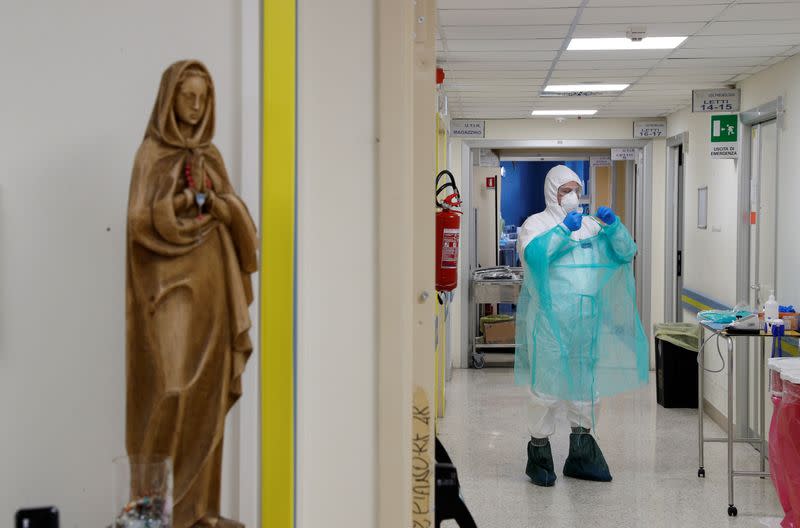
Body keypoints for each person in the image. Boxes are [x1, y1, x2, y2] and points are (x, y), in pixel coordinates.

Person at [126, 60, 258, 528]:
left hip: (213, 291)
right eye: (188, 96)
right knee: (171, 389)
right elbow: (139, 223)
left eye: (204, 96)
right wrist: (180, 202)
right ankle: (156, 513)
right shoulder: (150, 156)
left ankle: (199, 511)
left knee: (208, 396)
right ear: (170, 98)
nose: (197, 105)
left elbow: (241, 221)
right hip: (168, 291)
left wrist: (221, 204)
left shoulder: (212, 157)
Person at [515, 165, 648, 487]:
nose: (572, 196)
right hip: (550, 320)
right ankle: (540, 457)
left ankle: (582, 455)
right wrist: (562, 231)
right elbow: (535, 257)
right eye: (565, 190)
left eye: (575, 189)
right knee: (546, 388)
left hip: (587, 320)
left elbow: (626, 252)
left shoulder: (590, 225)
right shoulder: (536, 224)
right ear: (552, 193)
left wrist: (615, 228)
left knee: (585, 387)